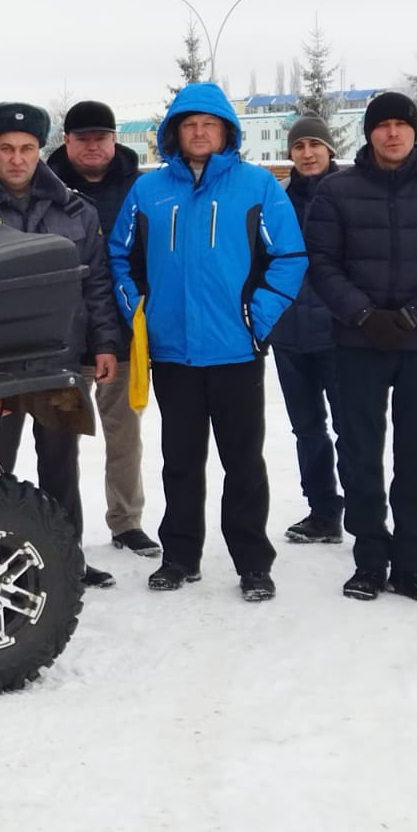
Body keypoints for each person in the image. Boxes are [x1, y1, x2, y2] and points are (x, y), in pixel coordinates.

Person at [109, 82, 305, 601]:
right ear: (174, 133)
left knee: (243, 462)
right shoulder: (148, 192)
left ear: (226, 132)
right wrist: (140, 314)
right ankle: (179, 556)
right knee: (180, 460)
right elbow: (119, 258)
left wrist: (255, 320)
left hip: (236, 352)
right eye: (189, 124)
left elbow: (288, 259)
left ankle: (252, 563)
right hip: (172, 354)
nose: (199, 133)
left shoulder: (257, 187)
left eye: (209, 124)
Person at [305, 92, 417, 610]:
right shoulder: (338, 191)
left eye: (400, 125)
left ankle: (411, 563)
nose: (391, 134)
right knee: (360, 451)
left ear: (414, 131)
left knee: (415, 455)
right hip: (358, 342)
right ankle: (369, 559)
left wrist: (415, 314)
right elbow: (321, 262)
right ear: (368, 133)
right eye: (381, 125)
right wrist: (362, 314)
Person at [0, 102, 123, 588]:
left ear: (41, 150)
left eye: (27, 149)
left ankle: (68, 556)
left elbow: (97, 286)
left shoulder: (75, 210)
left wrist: (104, 344)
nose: (17, 158)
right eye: (6, 148)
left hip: (57, 359)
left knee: (61, 465)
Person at [46, 100, 158, 558]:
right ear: (66, 142)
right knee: (57, 441)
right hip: (62, 338)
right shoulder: (46, 189)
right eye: (83, 138)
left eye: (101, 137)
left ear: (116, 140)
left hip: (126, 333)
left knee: (124, 435)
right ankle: (57, 527)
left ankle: (126, 521)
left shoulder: (141, 189)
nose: (93, 146)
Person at [268, 115, 348, 544]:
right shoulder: (277, 200)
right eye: (299, 146)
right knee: (307, 430)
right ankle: (323, 512)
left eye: (315, 144)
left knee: (352, 429)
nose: (308, 153)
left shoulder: (350, 195)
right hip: (290, 335)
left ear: (330, 149)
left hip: (340, 335)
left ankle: (366, 515)